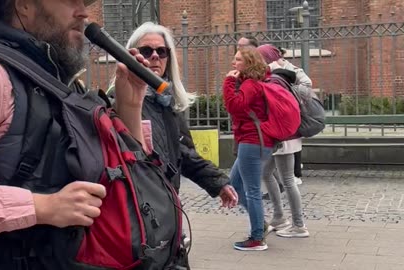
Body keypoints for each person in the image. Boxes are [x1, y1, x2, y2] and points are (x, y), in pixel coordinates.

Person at [0, 0, 156, 269]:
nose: (83, 12)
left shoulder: (59, 82)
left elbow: (124, 181)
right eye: (71, 1)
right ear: (24, 6)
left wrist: (130, 107)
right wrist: (44, 207)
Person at [108, 22, 238, 209]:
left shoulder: (166, 101)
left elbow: (184, 152)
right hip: (137, 204)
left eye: (161, 51)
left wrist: (218, 183)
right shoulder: (118, 101)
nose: (155, 56)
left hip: (167, 201)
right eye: (146, 50)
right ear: (132, 55)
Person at [257, 44, 310, 238]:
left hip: (283, 136)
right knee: (266, 172)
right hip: (285, 135)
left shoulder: (276, 78)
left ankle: (299, 225)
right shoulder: (277, 76)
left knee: (288, 179)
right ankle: (279, 216)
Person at [223, 47, 273, 251]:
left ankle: (257, 238)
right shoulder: (252, 82)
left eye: (238, 59)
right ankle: (260, 224)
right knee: (234, 185)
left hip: (252, 141)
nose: (233, 63)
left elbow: (234, 106)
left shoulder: (251, 84)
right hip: (253, 141)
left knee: (252, 191)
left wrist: (228, 82)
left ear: (248, 63)